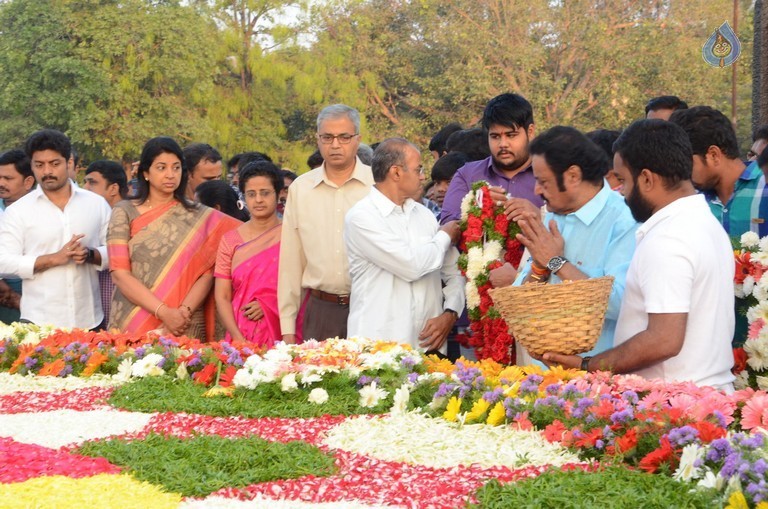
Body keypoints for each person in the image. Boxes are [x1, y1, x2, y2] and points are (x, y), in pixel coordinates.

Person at [541, 119, 735, 392]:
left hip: (675, 402)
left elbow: (664, 339)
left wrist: (589, 365)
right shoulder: (703, 222)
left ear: (646, 178)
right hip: (700, 394)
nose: (620, 191)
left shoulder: (669, 237)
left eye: (622, 180)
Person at [513, 126, 637, 364]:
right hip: (542, 375)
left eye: (543, 181)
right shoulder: (551, 216)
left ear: (573, 176)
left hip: (596, 377)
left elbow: (621, 303)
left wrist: (557, 263)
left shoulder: (623, 220)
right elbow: (520, 299)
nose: (536, 190)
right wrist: (540, 268)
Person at [107, 137, 241, 340]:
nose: (170, 175)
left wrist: (182, 313)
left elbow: (207, 272)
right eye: (161, 168)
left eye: (176, 168)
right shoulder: (124, 211)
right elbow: (120, 274)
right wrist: (163, 312)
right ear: (145, 173)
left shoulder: (201, 216)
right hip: (133, 319)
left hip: (184, 323)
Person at [344, 138, 463, 352]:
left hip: (428, 347)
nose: (423, 177)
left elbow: (454, 272)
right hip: (379, 349)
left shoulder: (425, 216)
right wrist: (445, 235)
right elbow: (411, 266)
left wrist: (450, 313)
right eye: (418, 169)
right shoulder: (362, 217)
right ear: (396, 172)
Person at [278, 104, 374, 343]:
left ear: (358, 139)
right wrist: (287, 327)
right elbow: (291, 259)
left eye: (344, 137)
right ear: (318, 140)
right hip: (321, 309)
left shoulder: (377, 185)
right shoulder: (301, 189)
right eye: (327, 137)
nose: (335, 145)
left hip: (372, 307)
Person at [0, 129, 111, 329]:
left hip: (89, 320)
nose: (47, 172)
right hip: (39, 323)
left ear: (68, 163)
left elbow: (117, 252)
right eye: (39, 165)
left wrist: (90, 254)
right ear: (32, 166)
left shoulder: (96, 204)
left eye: (54, 164)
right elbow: (3, 262)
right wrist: (51, 259)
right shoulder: (18, 211)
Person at [441, 93, 546, 288]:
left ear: (530, 132)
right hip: (477, 292)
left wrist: (539, 217)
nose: (503, 144)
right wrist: (478, 208)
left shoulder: (549, 176)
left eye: (511, 135)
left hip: (537, 292)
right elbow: (448, 229)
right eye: (495, 136)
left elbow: (569, 230)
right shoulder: (468, 176)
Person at [215, 161, 302, 346]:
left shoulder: (293, 234)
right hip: (240, 333)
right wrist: (238, 339)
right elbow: (222, 296)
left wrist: (271, 303)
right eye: (251, 194)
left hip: (284, 334)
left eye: (265, 193)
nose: (258, 200)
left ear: (279, 194)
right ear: (244, 197)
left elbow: (306, 286)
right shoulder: (230, 240)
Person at [670, 105, 768, 238]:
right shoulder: (691, 201)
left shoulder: (764, 184)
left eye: (687, 163)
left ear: (713, 155)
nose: (683, 172)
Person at [83, 160, 129, 327]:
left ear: (113, 189)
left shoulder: (133, 217)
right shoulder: (87, 217)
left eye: (92, 182)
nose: (86, 188)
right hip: (95, 307)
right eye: (85, 182)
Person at [0, 149, 35, 324]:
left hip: (37, 290)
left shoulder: (43, 211)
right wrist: (11, 296)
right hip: (4, 293)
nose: (1, 183)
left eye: (8, 178)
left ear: (28, 181)